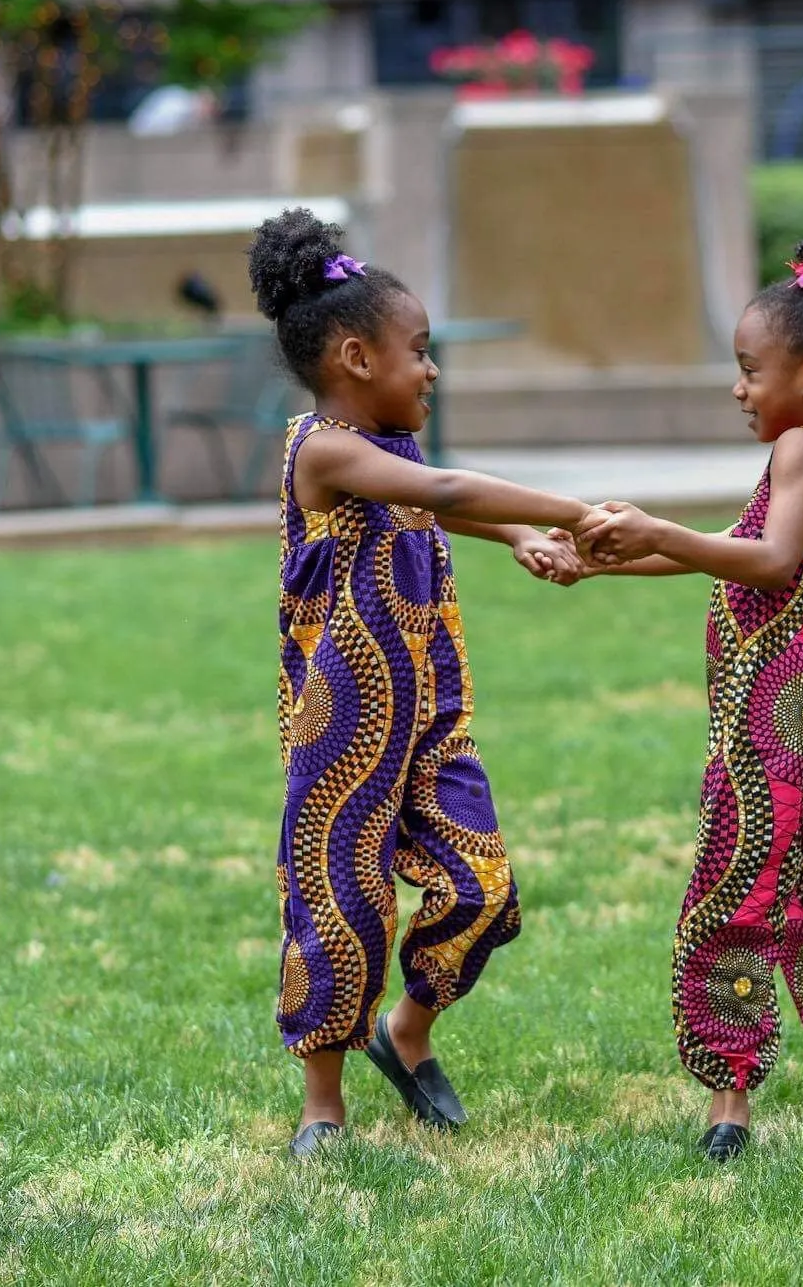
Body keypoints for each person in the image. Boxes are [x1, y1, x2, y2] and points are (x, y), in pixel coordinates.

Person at [249, 207, 601, 1159]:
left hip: (431, 712)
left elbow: (432, 495)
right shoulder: (318, 447)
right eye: (421, 350)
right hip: (344, 724)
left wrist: (521, 532)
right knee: (340, 902)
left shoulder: (388, 452)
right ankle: (323, 1101)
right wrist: (578, 509)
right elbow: (442, 490)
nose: (433, 368)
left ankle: (407, 1033)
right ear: (358, 358)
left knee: (484, 888)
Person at [573, 213, 803, 1161]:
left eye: (749, 369)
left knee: (741, 878)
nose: (738, 387)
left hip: (780, 707)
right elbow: (749, 561)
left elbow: (767, 559)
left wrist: (657, 528)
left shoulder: (799, 450)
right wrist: (610, 561)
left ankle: (729, 1097)